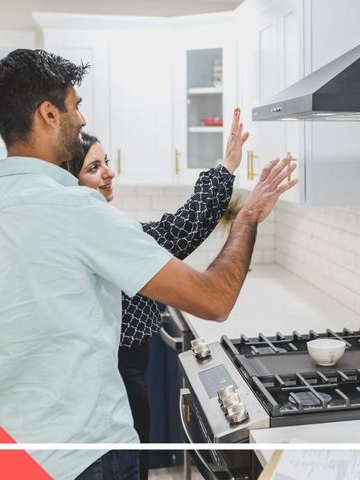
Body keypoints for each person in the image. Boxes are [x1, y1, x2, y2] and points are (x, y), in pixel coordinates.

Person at [0, 48, 296, 480]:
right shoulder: (76, 210)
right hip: (88, 458)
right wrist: (246, 216)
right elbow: (216, 299)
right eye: (74, 106)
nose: (80, 120)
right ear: (48, 114)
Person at [63, 108, 247, 480]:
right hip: (119, 377)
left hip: (115, 376)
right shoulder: (100, 233)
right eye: (93, 168)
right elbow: (183, 228)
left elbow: (177, 230)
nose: (108, 172)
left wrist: (226, 166)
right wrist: (227, 168)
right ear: (71, 182)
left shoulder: (88, 229)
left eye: (107, 162)